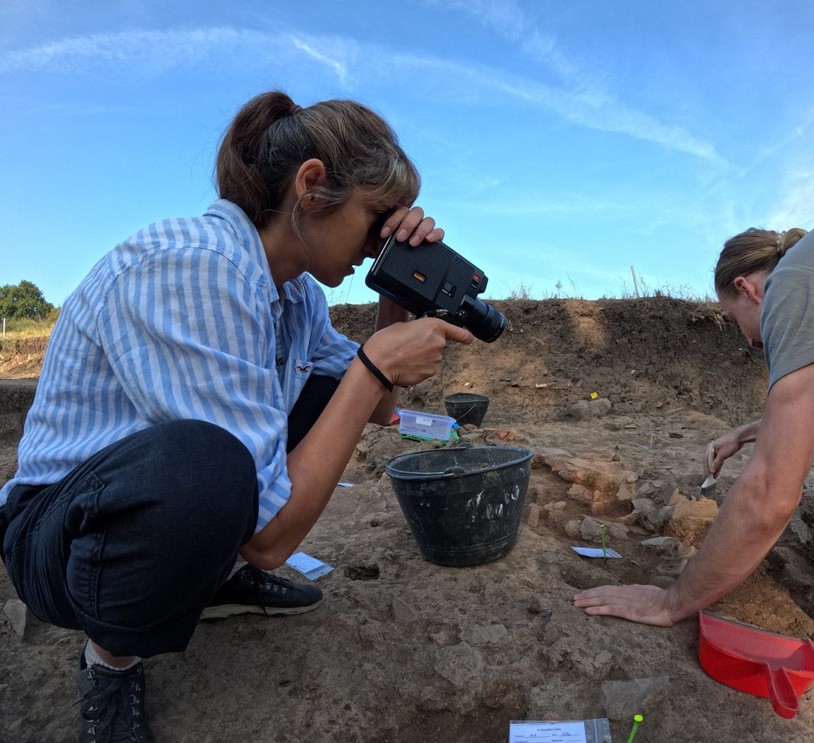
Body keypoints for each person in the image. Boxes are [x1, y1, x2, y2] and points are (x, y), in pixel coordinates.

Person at [0, 90, 472, 742]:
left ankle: (213, 580)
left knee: (323, 394)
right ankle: (109, 658)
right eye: (376, 219)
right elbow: (271, 538)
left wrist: (399, 291)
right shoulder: (198, 265)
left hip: (131, 502)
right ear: (312, 186)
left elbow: (379, 406)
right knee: (209, 467)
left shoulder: (294, 292)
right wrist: (374, 369)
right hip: (61, 534)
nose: (378, 242)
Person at [574, 217, 814, 626]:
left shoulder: (793, 283)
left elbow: (770, 495)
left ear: (746, 288)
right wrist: (750, 431)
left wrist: (673, 602)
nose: (748, 341)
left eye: (735, 319)